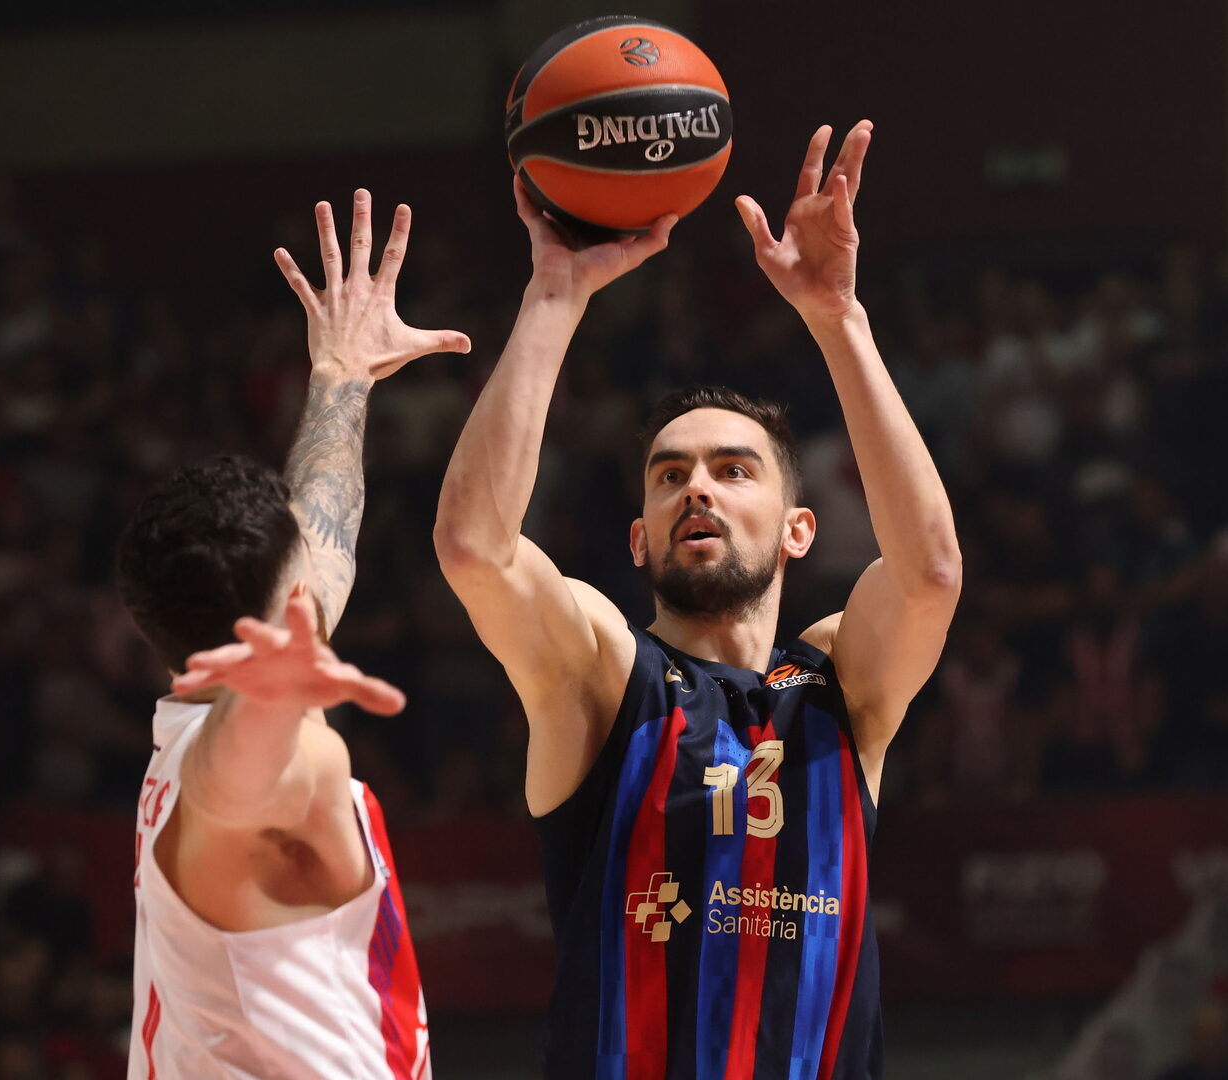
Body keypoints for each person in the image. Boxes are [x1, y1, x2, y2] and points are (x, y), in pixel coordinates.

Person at [434, 122, 960, 1078]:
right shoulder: (606, 675)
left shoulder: (840, 681)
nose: (697, 489)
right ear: (639, 538)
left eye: (733, 469)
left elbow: (930, 572)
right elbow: (474, 548)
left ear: (799, 530)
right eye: (669, 475)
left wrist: (837, 318)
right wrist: (554, 295)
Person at [115, 189, 468, 1079]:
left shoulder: (186, 717)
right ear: (287, 603)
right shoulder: (247, 765)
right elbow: (231, 787)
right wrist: (267, 709)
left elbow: (323, 524)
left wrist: (342, 376)